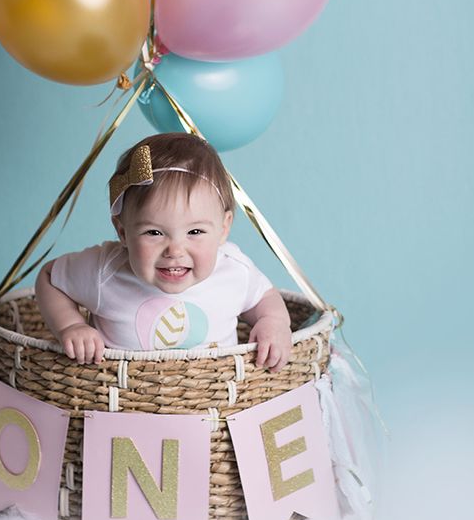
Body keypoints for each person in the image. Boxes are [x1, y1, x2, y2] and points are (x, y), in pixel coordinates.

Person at [35, 133, 293, 370]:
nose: (175, 250)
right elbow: (49, 278)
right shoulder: (105, 270)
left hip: (214, 404)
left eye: (195, 232)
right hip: (125, 406)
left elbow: (263, 297)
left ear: (223, 228)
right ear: (123, 232)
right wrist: (70, 326)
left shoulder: (234, 270)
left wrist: (274, 322)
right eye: (154, 233)